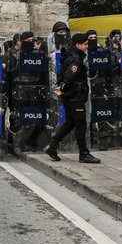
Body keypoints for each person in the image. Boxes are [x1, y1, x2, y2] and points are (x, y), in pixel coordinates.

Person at [44, 34, 99, 164]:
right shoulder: (76, 59)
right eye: (85, 44)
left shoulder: (71, 56)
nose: (86, 46)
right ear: (77, 45)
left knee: (70, 122)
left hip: (71, 95)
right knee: (80, 123)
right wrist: (62, 88)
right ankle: (83, 153)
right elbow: (69, 76)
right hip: (75, 96)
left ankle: (52, 146)